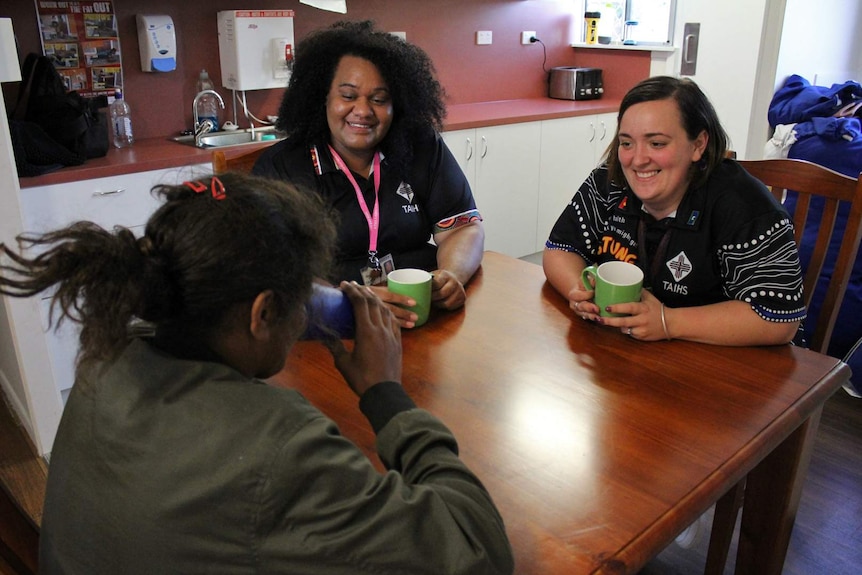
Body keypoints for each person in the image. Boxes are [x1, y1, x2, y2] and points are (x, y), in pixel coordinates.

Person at [0, 172, 513, 574]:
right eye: (299, 294)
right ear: (262, 313)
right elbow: (476, 551)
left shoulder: (105, 359)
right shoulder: (281, 448)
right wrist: (385, 394)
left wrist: (319, 306)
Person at [253, 21, 484, 327]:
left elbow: (462, 228)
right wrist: (345, 305)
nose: (363, 111)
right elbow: (273, 270)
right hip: (329, 330)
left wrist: (452, 275)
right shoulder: (282, 167)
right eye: (348, 96)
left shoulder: (421, 146)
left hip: (423, 317)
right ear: (323, 96)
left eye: (379, 99)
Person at [543, 76, 805, 346]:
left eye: (656, 143)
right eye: (627, 143)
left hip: (724, 364)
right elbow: (560, 247)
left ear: (698, 145)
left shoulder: (747, 206)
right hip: (627, 354)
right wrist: (579, 291)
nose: (638, 159)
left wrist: (668, 322)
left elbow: (779, 319)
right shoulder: (609, 183)